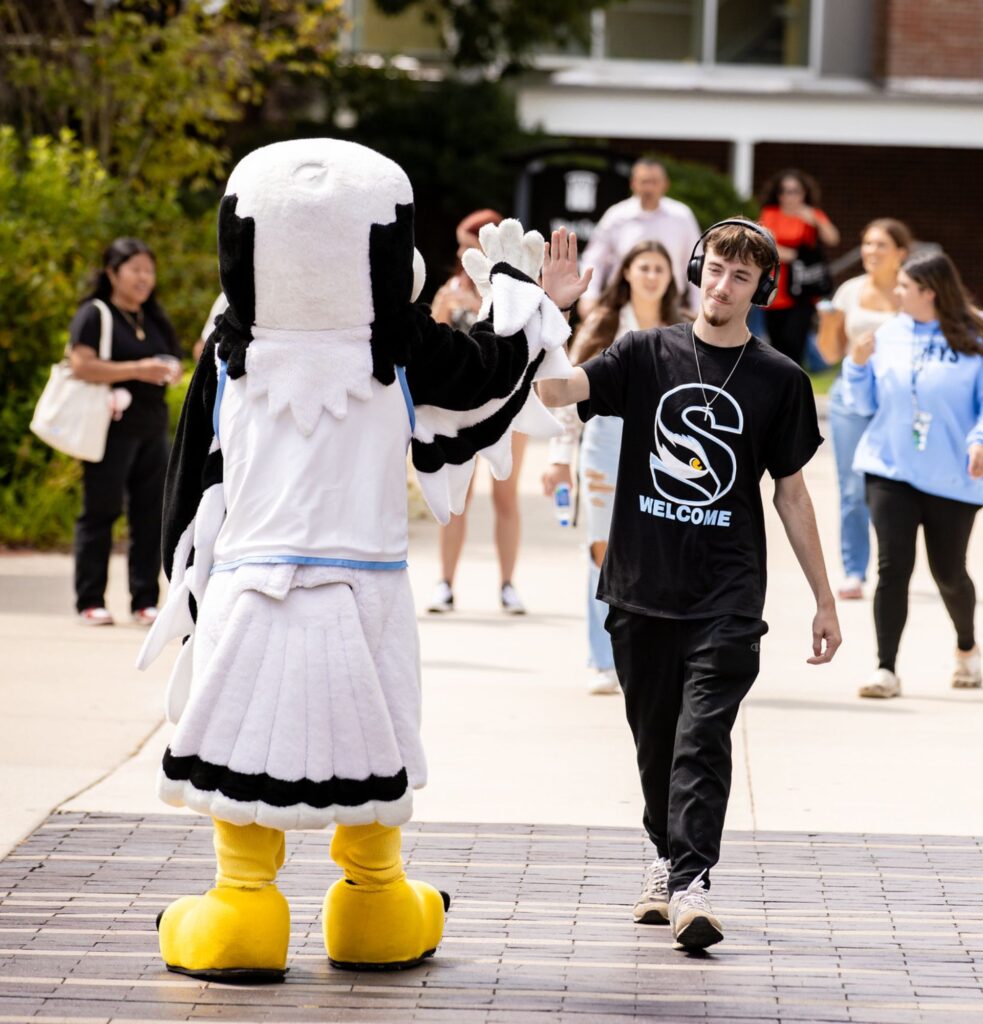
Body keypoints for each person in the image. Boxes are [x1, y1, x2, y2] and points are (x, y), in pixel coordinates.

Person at [538, 218, 841, 951]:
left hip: (727, 591)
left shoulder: (779, 380)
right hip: (640, 584)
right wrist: (549, 314)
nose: (720, 285)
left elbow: (791, 494)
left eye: (740, 276)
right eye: (713, 270)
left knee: (701, 735)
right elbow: (557, 391)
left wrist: (823, 598)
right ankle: (663, 856)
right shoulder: (645, 353)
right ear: (695, 272)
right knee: (653, 742)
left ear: (760, 290)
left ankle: (692, 881)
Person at [841, 250, 983, 699]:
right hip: (890, 469)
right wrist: (857, 366)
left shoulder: (974, 339)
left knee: (949, 573)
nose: (896, 292)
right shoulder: (885, 335)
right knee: (892, 568)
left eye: (904, 286)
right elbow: (863, 405)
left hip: (953, 477)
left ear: (930, 292)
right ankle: (885, 669)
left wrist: (979, 439)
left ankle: (966, 647)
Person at [542, 241, 680, 695]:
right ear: (627, 274)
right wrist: (561, 459)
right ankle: (602, 659)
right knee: (602, 553)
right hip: (605, 445)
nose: (652, 275)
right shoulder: (604, 323)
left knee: (662, 551)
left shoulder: (684, 328)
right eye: (644, 267)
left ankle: (650, 656)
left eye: (660, 267)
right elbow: (566, 394)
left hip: (666, 453)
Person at [68, 237, 183, 626]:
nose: (144, 278)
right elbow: (81, 365)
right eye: (134, 269)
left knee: (151, 517)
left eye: (149, 270)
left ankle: (145, 601)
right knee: (100, 513)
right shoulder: (95, 313)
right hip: (108, 430)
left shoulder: (153, 317)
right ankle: (90, 600)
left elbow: (173, 360)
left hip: (153, 428)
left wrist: (168, 369)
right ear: (112, 273)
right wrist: (137, 369)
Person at [428, 208, 527, 615]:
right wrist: (445, 309)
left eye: (470, 246)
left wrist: (481, 304)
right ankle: (445, 583)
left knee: (505, 497)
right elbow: (431, 346)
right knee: (456, 499)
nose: (462, 254)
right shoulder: (451, 287)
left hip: (505, 404)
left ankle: (507, 584)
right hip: (460, 408)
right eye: (460, 246)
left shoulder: (514, 289)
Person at [817, 219, 912, 600]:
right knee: (853, 489)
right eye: (867, 243)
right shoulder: (849, 292)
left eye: (881, 245)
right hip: (851, 399)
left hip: (900, 402)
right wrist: (827, 324)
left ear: (901, 253)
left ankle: (894, 568)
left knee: (899, 489)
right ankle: (855, 571)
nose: (871, 251)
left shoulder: (914, 291)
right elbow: (828, 354)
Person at [577, 157, 701, 318]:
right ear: (633, 184)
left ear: (665, 184)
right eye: (644, 181)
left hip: (670, 307)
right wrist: (589, 296)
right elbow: (594, 259)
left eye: (654, 182)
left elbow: (696, 264)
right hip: (620, 306)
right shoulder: (616, 216)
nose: (649, 188)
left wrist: (698, 307)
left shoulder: (682, 216)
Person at [758, 169, 840, 366]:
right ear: (778, 195)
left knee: (794, 344)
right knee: (775, 344)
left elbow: (833, 238)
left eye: (795, 191)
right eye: (785, 191)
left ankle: (795, 386)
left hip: (803, 290)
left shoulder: (811, 214)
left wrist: (814, 220)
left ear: (804, 193)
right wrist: (794, 255)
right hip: (776, 288)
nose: (790, 196)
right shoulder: (771, 214)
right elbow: (766, 245)